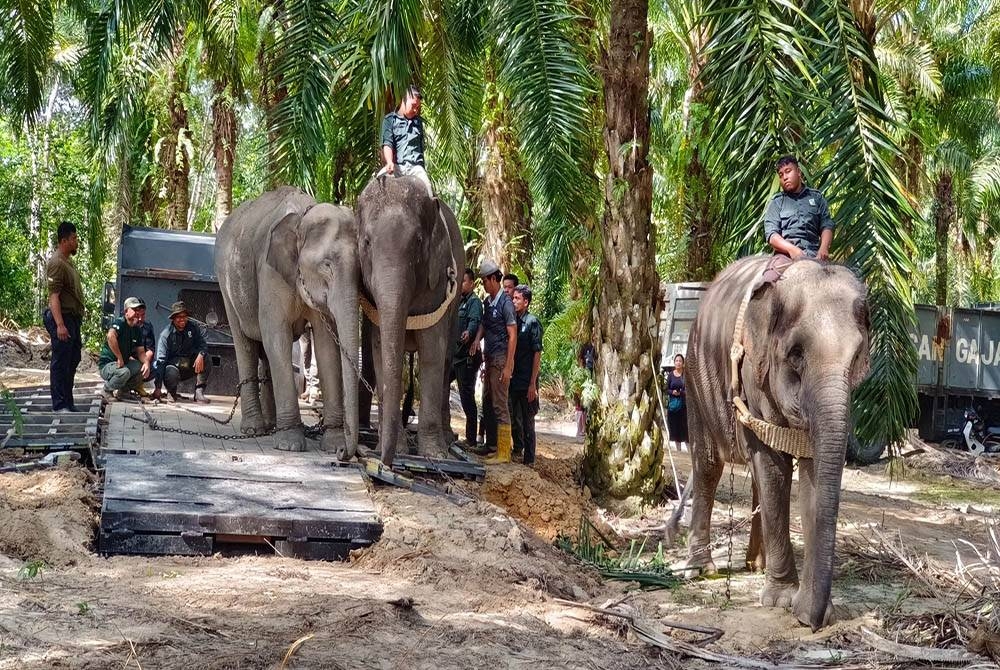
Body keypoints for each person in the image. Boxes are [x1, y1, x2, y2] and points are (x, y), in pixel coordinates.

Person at [469, 260, 517, 464]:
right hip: (489, 358)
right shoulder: (488, 302)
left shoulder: (505, 303)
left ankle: (504, 452)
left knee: (500, 405)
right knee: (488, 402)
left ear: (492, 279)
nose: (483, 285)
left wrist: (508, 365)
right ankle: (493, 446)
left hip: (500, 358)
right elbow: (483, 324)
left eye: (484, 281)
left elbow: (513, 335)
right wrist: (476, 340)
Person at [762, 155, 835, 282]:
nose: (784, 177)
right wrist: (792, 249)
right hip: (785, 257)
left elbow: (827, 225)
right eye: (781, 175)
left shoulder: (817, 198)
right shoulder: (776, 202)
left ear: (799, 172)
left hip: (815, 255)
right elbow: (771, 235)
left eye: (788, 171)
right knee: (766, 281)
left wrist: (823, 248)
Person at [42, 221, 86, 413]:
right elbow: (54, 297)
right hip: (63, 318)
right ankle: (59, 404)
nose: (77, 242)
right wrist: (60, 324)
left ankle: (68, 400)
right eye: (74, 239)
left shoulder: (69, 261)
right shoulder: (57, 263)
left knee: (73, 358)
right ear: (64, 240)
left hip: (73, 319)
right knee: (60, 361)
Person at [509, 285, 543, 466]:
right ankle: (517, 449)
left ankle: (529, 459)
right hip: (513, 379)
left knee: (528, 420)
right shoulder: (512, 321)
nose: (514, 301)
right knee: (513, 416)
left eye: (517, 299)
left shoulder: (532, 322)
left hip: (527, 380)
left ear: (526, 302)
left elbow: (537, 353)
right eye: (513, 298)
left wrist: (532, 384)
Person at [153, 301, 211, 404]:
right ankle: (171, 392)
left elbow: (203, 344)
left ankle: (199, 392)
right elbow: (161, 361)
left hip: (189, 364)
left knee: (206, 358)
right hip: (174, 368)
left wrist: (201, 354)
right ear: (173, 319)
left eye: (184, 316)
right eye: (179, 317)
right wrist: (158, 387)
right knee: (170, 371)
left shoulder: (193, 328)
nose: (182, 320)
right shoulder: (166, 335)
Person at [452, 268, 483, 449]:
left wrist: (468, 333)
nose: (461, 284)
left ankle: (471, 438)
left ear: (471, 283)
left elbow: (475, 322)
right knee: (441, 383)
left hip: (467, 357)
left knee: (466, 397)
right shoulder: (458, 301)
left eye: (464, 281)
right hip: (456, 355)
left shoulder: (474, 302)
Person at [380, 85, 431, 195]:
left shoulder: (419, 123)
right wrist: (389, 162)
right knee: (377, 184)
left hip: (416, 169)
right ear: (403, 100)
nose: (415, 110)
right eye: (413, 106)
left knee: (429, 191)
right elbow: (387, 144)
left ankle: (438, 211)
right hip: (397, 167)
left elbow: (421, 149)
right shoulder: (389, 120)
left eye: (417, 107)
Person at [98, 297, 149, 401]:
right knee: (124, 372)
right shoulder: (120, 323)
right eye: (134, 310)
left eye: (139, 310)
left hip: (122, 364)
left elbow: (141, 352)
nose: (137, 313)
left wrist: (146, 363)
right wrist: (119, 357)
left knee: (141, 368)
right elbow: (110, 336)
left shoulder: (136, 330)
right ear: (126, 311)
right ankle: (106, 391)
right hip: (108, 365)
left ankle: (124, 392)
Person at [666, 353, 688, 451]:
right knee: (674, 428)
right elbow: (666, 389)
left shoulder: (685, 375)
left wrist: (681, 393)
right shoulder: (671, 375)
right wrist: (672, 392)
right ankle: (678, 450)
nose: (678, 363)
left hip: (684, 406)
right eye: (677, 361)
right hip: (673, 405)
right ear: (674, 363)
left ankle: (688, 451)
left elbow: (689, 390)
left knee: (684, 428)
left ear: (683, 363)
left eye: (680, 361)